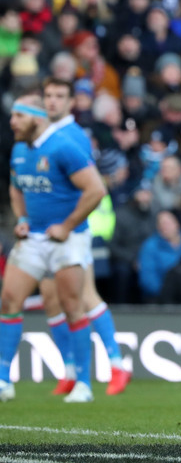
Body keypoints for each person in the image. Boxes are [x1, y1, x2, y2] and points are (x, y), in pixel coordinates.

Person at [1, 94, 106, 403]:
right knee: (8, 300)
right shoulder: (19, 150)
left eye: (18, 116)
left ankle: (83, 384)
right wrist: (21, 217)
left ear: (35, 118)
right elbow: (15, 187)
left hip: (67, 239)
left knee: (72, 304)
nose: (12, 122)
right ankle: (4, 380)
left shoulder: (63, 148)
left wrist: (68, 225)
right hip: (32, 237)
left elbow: (96, 190)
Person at [39, 77, 132, 396]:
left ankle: (117, 365)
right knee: (51, 298)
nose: (52, 101)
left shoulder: (74, 136)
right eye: (47, 95)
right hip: (45, 231)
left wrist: (72, 223)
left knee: (84, 296)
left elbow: (89, 186)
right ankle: (68, 369)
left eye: (58, 96)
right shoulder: (44, 134)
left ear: (71, 102)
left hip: (71, 229)